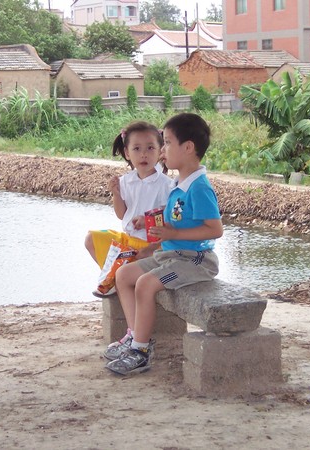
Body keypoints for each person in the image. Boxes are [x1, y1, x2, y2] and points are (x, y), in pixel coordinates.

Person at [105, 113, 223, 375]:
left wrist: (173, 234)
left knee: (146, 284)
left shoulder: (199, 187)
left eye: (167, 143)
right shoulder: (179, 183)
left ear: (188, 147)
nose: (162, 150)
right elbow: (175, 215)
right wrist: (148, 219)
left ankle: (141, 350)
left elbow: (215, 230)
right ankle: (135, 335)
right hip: (171, 255)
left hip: (195, 260)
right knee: (124, 274)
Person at [84, 121, 173, 297]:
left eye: (150, 148)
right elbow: (121, 215)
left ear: (160, 150)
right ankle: (114, 279)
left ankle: (117, 279)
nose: (143, 155)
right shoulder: (126, 181)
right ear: (127, 152)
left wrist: (146, 221)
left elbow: (171, 218)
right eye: (137, 149)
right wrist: (116, 194)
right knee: (91, 239)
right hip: (128, 240)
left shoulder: (167, 185)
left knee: (143, 261)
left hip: (153, 246)